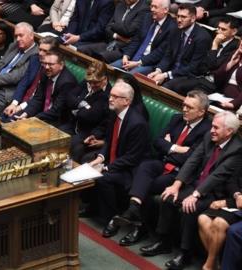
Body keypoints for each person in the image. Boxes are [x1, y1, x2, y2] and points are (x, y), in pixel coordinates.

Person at [140, 111, 242, 270]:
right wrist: (176, 185)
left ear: (229, 131)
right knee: (167, 197)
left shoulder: (236, 149)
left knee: (190, 208)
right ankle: (163, 242)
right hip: (196, 184)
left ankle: (185, 253)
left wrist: (195, 195)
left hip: (214, 192)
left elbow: (217, 175)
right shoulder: (209, 137)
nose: (211, 130)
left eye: (216, 127)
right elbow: (193, 160)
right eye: (212, 126)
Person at [112, 90, 211, 246]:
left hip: (180, 173)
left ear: (201, 112)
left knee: (146, 185)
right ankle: (134, 208)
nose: (184, 109)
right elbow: (157, 142)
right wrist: (177, 148)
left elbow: (191, 158)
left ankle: (139, 224)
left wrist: (169, 146)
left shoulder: (207, 130)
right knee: (144, 166)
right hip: (162, 162)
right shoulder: (177, 119)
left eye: (189, 107)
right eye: (184, 105)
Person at [87, 79, 149, 237]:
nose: (110, 98)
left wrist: (106, 167)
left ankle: (112, 219)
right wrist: (100, 159)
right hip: (116, 161)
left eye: (115, 96)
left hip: (130, 170)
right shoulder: (115, 113)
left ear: (127, 101)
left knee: (103, 178)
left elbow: (132, 158)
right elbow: (109, 140)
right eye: (111, 95)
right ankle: (93, 207)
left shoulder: (138, 123)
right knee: (87, 164)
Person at [169, 17, 239, 95]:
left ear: (234, 32)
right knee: (171, 84)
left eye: (223, 29)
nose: (219, 32)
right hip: (200, 76)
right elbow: (203, 62)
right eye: (218, 28)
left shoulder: (235, 47)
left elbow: (213, 65)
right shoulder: (215, 39)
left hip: (214, 83)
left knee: (181, 88)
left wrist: (215, 45)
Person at [147, 3, 212, 88]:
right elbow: (168, 56)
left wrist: (166, 75)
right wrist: (159, 70)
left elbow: (193, 67)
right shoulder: (175, 30)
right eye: (178, 16)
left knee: (166, 86)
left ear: (193, 19)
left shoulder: (202, 38)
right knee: (147, 77)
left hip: (188, 75)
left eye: (183, 17)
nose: (179, 20)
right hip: (171, 70)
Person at [14, 50, 77, 132]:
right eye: (45, 63)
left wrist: (33, 119)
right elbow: (38, 99)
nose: (46, 67)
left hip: (59, 119)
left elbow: (56, 111)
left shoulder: (67, 83)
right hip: (44, 112)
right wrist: (26, 114)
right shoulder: (45, 73)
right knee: (15, 119)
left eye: (50, 64)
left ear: (61, 65)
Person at [111, 0, 176, 75]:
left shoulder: (172, 28)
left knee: (128, 77)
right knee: (111, 68)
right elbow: (136, 40)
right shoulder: (147, 17)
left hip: (148, 63)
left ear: (166, 10)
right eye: (151, 6)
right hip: (132, 58)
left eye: (155, 7)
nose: (152, 9)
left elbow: (159, 53)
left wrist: (138, 63)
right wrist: (126, 55)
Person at [2, 36, 59, 119]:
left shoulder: (51, 69)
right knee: (3, 116)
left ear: (54, 53)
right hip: (22, 99)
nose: (40, 53)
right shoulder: (35, 59)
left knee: (10, 120)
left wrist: (20, 107)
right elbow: (24, 82)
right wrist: (14, 103)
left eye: (45, 51)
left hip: (34, 105)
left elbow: (40, 98)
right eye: (40, 49)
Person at [77, 0, 149, 64]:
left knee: (100, 57)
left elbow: (129, 30)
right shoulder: (121, 4)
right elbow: (107, 28)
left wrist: (113, 25)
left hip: (122, 48)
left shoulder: (144, 9)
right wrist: (117, 36)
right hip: (109, 42)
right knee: (82, 50)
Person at [67, 61, 110, 163]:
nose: (92, 85)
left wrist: (76, 107)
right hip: (73, 124)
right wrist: (84, 105)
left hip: (89, 132)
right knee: (55, 136)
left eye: (96, 82)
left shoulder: (108, 95)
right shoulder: (89, 82)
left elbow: (88, 116)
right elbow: (69, 97)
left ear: (105, 79)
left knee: (74, 146)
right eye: (90, 82)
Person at [198, 176, 242, 270]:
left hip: (237, 207)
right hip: (234, 200)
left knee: (219, 222)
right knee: (203, 218)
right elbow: (232, 180)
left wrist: (228, 203)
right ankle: (215, 263)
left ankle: (208, 266)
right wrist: (237, 195)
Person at [213, 41, 242, 111]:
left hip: (237, 101)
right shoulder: (235, 54)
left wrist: (234, 103)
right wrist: (230, 64)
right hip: (221, 95)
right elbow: (217, 77)